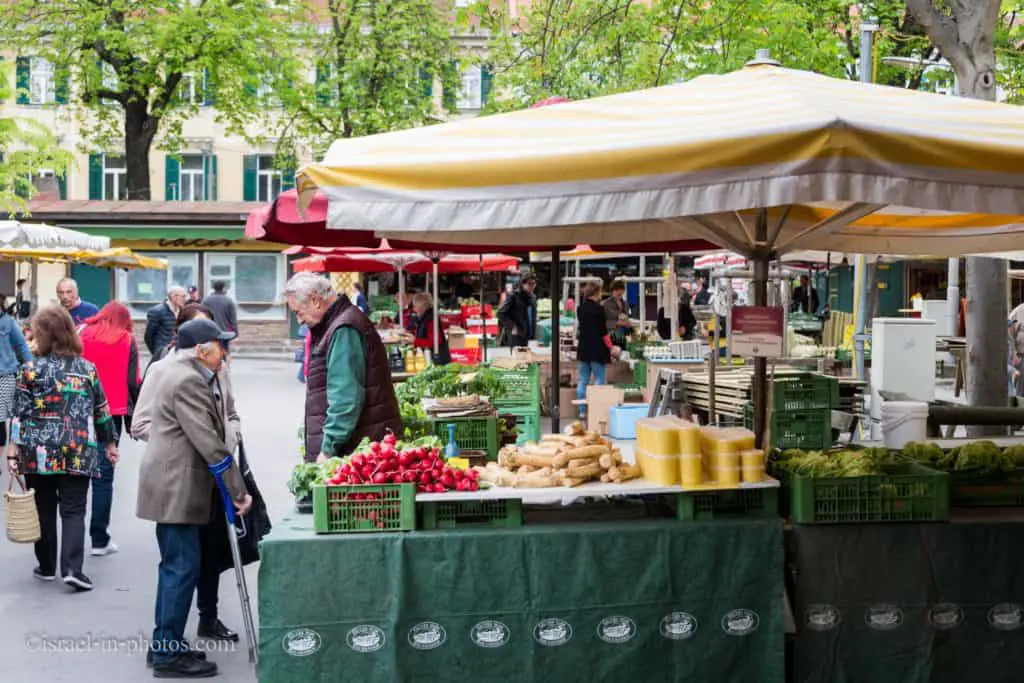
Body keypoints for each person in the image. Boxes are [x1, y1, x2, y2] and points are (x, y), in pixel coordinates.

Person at [136, 318, 251, 678]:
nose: (225, 352)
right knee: (181, 568)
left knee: (176, 567)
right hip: (176, 486)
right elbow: (209, 442)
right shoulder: (186, 379)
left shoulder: (190, 373)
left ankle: (165, 644)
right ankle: (168, 654)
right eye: (220, 346)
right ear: (202, 350)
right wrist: (237, 489)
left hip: (177, 484)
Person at [7, 306, 118, 592]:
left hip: (38, 451)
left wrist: (12, 452)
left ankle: (46, 567)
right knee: (73, 510)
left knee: (43, 508)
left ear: (43, 335)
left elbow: (19, 414)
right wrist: (110, 443)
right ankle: (72, 570)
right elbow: (101, 410)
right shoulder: (86, 368)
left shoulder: (28, 370)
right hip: (78, 449)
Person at [283, 273, 403, 464]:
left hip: (360, 453)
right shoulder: (340, 323)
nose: (299, 321)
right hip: (363, 448)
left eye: (298, 312)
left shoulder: (344, 328)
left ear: (315, 300)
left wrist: (328, 448)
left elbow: (345, 398)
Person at [78, 302, 141, 558]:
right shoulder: (127, 340)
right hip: (110, 414)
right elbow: (132, 381)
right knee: (104, 477)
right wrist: (133, 418)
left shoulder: (81, 331)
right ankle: (99, 539)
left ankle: (72, 535)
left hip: (78, 411)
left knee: (78, 474)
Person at [576, 283, 617, 417]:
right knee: (599, 380)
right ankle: (595, 411)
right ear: (596, 293)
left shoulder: (580, 309)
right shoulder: (599, 309)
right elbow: (603, 332)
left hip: (583, 348)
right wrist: (611, 347)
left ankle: (582, 411)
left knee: (583, 380)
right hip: (598, 349)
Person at [0, 297, 31, 460]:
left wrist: (30, 364)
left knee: (1, 418)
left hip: (5, 375)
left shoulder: (8, 322)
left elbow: (21, 345)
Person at [407, 292, 450, 365]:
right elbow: (423, 333)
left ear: (421, 306)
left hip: (437, 358)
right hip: (429, 356)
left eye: (415, 306)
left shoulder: (431, 319)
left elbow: (435, 341)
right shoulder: (424, 317)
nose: (414, 309)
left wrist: (415, 340)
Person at [144, 285, 186, 357]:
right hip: (163, 353)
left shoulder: (183, 311)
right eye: (183, 296)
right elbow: (149, 336)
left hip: (178, 353)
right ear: (174, 297)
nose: (185, 299)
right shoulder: (157, 311)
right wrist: (157, 353)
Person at [498, 273, 537, 348]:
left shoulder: (533, 297)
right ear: (523, 284)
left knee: (529, 357)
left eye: (534, 284)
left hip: (530, 334)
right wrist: (512, 326)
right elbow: (501, 313)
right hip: (517, 334)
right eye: (530, 284)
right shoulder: (514, 296)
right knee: (517, 357)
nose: (532, 286)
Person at [203, 280, 238, 346]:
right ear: (223, 288)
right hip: (225, 333)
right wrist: (235, 334)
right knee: (224, 352)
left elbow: (202, 317)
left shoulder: (206, 301)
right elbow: (233, 320)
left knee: (211, 353)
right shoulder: (229, 301)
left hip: (210, 333)